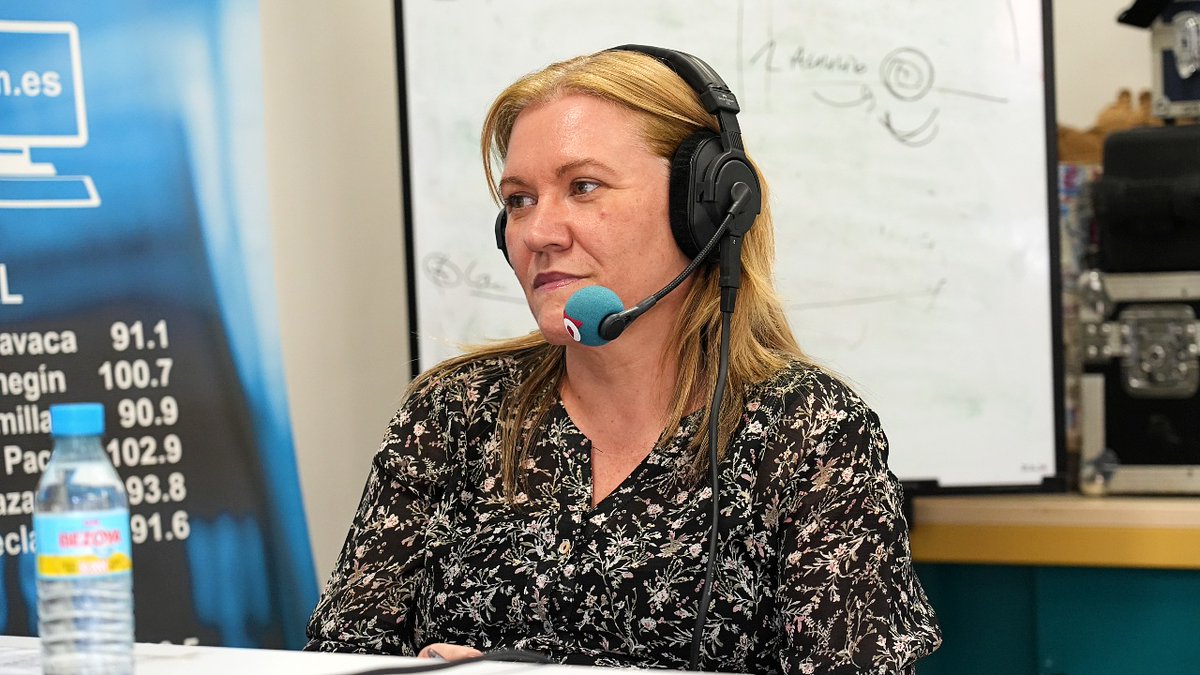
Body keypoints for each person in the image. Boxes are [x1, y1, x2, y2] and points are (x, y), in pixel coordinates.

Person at [305, 46, 942, 673]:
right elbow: (335, 659)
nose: (538, 233)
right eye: (520, 199)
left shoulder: (809, 431)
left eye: (583, 188)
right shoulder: (452, 410)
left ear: (704, 208)